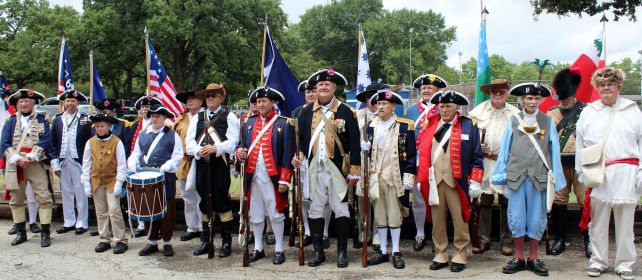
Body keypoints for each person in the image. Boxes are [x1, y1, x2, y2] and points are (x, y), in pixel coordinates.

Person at [492, 82, 566, 277]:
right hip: (516, 177)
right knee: (516, 218)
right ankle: (518, 257)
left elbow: (554, 152)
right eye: (529, 98)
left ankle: (533, 258)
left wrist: (557, 179)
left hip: (539, 178)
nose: (532, 102)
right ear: (522, 100)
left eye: (536, 98)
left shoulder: (548, 122)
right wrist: (501, 176)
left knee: (536, 218)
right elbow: (505, 150)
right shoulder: (514, 121)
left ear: (540, 100)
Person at [576, 68, 641, 280]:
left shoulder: (633, 111)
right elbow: (580, 144)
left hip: (627, 172)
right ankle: (598, 261)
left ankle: (624, 263)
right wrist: (580, 172)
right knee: (598, 222)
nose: (606, 88)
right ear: (597, 87)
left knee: (625, 224)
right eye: (602, 85)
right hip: (597, 172)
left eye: (610, 84)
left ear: (618, 86)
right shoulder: (589, 112)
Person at [292, 68, 361, 268]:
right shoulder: (305, 112)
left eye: (327, 85)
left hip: (338, 169)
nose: (323, 87)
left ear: (334, 88)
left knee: (340, 208)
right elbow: (302, 142)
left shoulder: (346, 112)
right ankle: (318, 252)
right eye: (320, 85)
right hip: (314, 168)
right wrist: (299, 155)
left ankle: (341, 253)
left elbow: (355, 143)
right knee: (314, 208)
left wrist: (355, 171)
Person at [416, 91, 483, 273]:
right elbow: (422, 151)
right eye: (442, 106)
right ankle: (441, 253)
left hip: (457, 182)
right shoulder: (431, 125)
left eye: (449, 106)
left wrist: (476, 181)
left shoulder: (468, 126)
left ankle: (460, 254)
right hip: (435, 180)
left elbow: (477, 156)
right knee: (437, 220)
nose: (444, 110)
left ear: (457, 107)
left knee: (459, 219)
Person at [236, 87, 295, 264]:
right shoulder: (248, 123)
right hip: (252, 176)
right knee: (255, 214)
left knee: (276, 213)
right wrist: (239, 153)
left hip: (273, 177)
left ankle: (278, 249)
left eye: (264, 101)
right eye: (258, 101)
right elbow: (241, 146)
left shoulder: (284, 124)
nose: (260, 104)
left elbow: (287, 153)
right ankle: (258, 248)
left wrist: (285, 178)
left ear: (272, 103)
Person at [363, 89, 416, 269]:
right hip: (376, 176)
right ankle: (383, 252)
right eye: (378, 103)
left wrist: (409, 176)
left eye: (385, 103)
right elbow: (368, 153)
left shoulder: (404, 125)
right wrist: (364, 149)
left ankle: (395, 250)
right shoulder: (371, 125)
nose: (381, 107)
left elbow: (411, 154)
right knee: (380, 217)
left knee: (394, 216)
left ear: (393, 106)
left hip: (394, 177)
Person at [186, 83, 240, 258]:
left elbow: (233, 142)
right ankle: (206, 240)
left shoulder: (229, 117)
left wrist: (216, 148)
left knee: (222, 200)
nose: (210, 98)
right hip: (202, 163)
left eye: (214, 95)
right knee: (204, 201)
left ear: (221, 97)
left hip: (220, 164)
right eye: (207, 96)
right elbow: (189, 143)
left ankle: (226, 241)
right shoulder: (197, 117)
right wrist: (198, 150)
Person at [467, 79, 518, 256]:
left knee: (507, 201)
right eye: (494, 91)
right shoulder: (477, 112)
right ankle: (482, 239)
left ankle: (507, 240)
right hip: (485, 162)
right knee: (483, 201)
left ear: (507, 92)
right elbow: (467, 135)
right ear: (489, 92)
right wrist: (475, 146)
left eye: (501, 91)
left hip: (507, 163)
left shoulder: (516, 114)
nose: (497, 94)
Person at [129, 104, 183, 257]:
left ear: (164, 118)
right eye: (152, 116)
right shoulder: (143, 134)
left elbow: (178, 155)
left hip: (166, 179)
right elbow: (136, 153)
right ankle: (151, 242)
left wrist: (168, 165)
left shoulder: (173, 135)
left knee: (167, 212)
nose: (154, 119)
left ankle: (167, 243)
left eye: (158, 116)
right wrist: (132, 162)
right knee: (149, 211)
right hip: (147, 180)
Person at [1, 89, 53, 247]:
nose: (24, 104)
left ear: (33, 103)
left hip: (35, 163)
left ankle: (45, 233)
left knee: (44, 197)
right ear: (17, 105)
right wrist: (16, 158)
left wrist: (30, 157)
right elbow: (4, 142)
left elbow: (46, 140)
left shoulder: (43, 120)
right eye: (20, 102)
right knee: (16, 200)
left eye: (27, 101)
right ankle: (21, 232)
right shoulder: (10, 121)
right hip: (15, 164)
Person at [546, 68, 590, 257]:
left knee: (584, 200)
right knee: (559, 200)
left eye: (565, 98)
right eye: (561, 98)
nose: (563, 101)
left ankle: (589, 240)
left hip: (581, 163)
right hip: (560, 164)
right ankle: (560, 238)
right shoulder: (552, 113)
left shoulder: (587, 111)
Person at [405, 73, 447, 252]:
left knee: (437, 200)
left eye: (430, 88)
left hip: (436, 161)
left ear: (437, 90)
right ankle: (420, 234)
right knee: (419, 200)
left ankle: (437, 236)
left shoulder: (443, 109)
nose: (426, 90)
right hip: (416, 162)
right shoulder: (412, 111)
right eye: (423, 88)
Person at [80, 113, 128, 254]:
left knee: (114, 210)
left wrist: (119, 182)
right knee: (101, 211)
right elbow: (86, 164)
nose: (99, 129)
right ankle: (104, 238)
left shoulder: (117, 142)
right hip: (96, 180)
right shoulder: (90, 142)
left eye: (102, 126)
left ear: (109, 126)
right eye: (97, 126)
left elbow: (121, 165)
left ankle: (120, 240)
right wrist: (86, 183)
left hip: (112, 180)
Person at [292, 80, 332, 249]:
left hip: (322, 160)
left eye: (312, 91)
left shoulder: (326, 111)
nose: (310, 94)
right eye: (307, 92)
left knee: (326, 199)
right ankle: (308, 231)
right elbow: (294, 138)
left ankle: (324, 232)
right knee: (305, 197)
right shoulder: (298, 112)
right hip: (303, 161)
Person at [51, 90, 92, 235]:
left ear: (78, 103)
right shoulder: (57, 119)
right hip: (63, 160)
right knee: (66, 193)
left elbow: (90, 142)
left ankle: (82, 222)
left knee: (80, 193)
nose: (69, 103)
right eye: (67, 101)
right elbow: (53, 142)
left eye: (72, 101)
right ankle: (69, 221)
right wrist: (55, 162)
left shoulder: (86, 119)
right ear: (64, 103)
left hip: (79, 161)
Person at [353, 82, 388, 251]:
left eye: (376, 98)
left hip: (381, 164)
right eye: (369, 98)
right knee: (362, 200)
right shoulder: (358, 115)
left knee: (378, 199)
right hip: (362, 163)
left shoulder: (387, 116)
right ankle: (363, 233)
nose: (372, 102)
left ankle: (377, 234)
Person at [124, 95, 163, 237]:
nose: (146, 109)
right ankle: (142, 226)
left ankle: (156, 228)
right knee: (138, 196)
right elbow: (129, 144)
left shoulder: (160, 126)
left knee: (154, 197)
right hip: (137, 165)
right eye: (143, 107)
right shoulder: (135, 125)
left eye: (149, 107)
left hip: (154, 166)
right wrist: (131, 161)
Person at [174, 91, 204, 241]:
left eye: (193, 99)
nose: (190, 101)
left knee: (202, 196)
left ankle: (204, 227)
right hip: (185, 162)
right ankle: (192, 227)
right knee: (187, 197)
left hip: (202, 160)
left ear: (201, 101)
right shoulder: (180, 120)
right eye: (188, 99)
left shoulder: (206, 118)